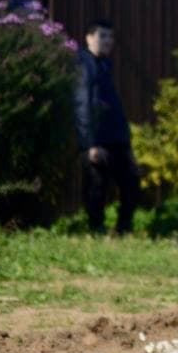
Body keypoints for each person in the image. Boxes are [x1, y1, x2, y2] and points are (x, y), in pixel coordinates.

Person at [74, 19, 141, 234]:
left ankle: (123, 229)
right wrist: (90, 144)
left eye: (111, 36)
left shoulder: (103, 64)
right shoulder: (84, 64)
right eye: (103, 36)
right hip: (98, 140)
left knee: (131, 181)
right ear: (89, 37)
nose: (108, 41)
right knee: (96, 186)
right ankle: (96, 230)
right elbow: (81, 103)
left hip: (116, 139)